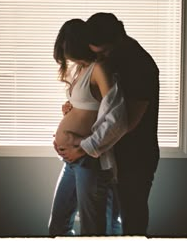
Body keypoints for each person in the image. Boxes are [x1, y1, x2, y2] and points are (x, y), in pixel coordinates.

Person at [61, 13, 160, 236]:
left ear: (119, 39)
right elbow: (101, 105)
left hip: (135, 158)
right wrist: (77, 111)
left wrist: (83, 144)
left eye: (103, 52)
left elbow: (126, 122)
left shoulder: (140, 66)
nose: (100, 58)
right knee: (109, 222)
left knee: (132, 222)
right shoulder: (113, 57)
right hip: (110, 154)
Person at [49, 19, 128, 236]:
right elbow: (91, 107)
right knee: (58, 226)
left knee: (92, 230)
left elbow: (117, 118)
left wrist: (83, 147)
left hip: (88, 160)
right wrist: (71, 109)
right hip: (71, 161)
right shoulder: (81, 69)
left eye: (66, 47)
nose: (65, 53)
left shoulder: (99, 69)